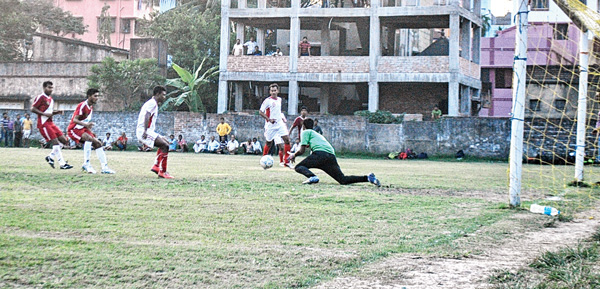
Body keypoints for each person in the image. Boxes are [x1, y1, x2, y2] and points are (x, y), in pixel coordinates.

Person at [288, 118, 381, 186]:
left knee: (299, 167)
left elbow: (302, 150)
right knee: (342, 180)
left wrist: (294, 155)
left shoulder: (305, 132)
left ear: (303, 126)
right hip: (330, 155)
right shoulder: (316, 134)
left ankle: (312, 177)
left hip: (320, 154)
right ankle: (368, 178)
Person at [67, 88, 116, 174]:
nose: (97, 98)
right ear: (89, 96)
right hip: (74, 129)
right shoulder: (82, 105)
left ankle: (105, 168)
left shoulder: (91, 107)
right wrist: (86, 125)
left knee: (98, 143)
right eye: (95, 96)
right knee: (88, 139)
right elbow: (75, 120)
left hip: (83, 129)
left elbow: (86, 121)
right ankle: (86, 164)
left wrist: (89, 129)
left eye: (98, 96)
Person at [31, 81, 73, 169]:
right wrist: (43, 114)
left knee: (64, 140)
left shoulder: (51, 99)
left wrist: (57, 112)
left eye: (51, 88)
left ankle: (50, 157)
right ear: (44, 88)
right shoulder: (41, 97)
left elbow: (49, 113)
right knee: (55, 142)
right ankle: (62, 164)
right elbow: (33, 109)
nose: (51, 89)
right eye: (49, 87)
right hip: (44, 123)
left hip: (50, 123)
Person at [136, 86, 174, 179]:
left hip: (148, 131)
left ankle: (156, 166)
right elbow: (147, 115)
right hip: (144, 131)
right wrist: (145, 131)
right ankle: (162, 171)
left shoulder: (153, 103)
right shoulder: (152, 103)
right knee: (165, 146)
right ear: (157, 94)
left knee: (164, 142)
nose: (164, 97)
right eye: (163, 95)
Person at [259, 83, 293, 168]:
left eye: (275, 90)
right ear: (270, 92)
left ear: (277, 91)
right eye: (272, 91)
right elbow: (260, 112)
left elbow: (278, 111)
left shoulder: (280, 100)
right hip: (270, 125)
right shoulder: (267, 101)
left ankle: (286, 162)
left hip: (279, 124)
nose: (273, 92)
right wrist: (269, 119)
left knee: (287, 140)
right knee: (269, 143)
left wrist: (281, 118)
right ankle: (264, 159)